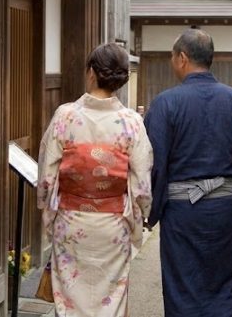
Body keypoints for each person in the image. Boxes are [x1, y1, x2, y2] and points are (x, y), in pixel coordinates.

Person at [144, 28, 232, 317]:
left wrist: (150, 211)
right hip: (222, 209)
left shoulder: (166, 103)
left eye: (172, 56)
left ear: (182, 58)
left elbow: (153, 163)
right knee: (222, 283)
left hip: (181, 213)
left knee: (181, 285)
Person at [37, 43, 153, 317]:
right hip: (112, 226)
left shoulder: (65, 116)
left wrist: (48, 214)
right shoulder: (131, 122)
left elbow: (45, 177)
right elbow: (142, 186)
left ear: (91, 73)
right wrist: (140, 218)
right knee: (110, 297)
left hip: (71, 221)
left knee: (70, 297)